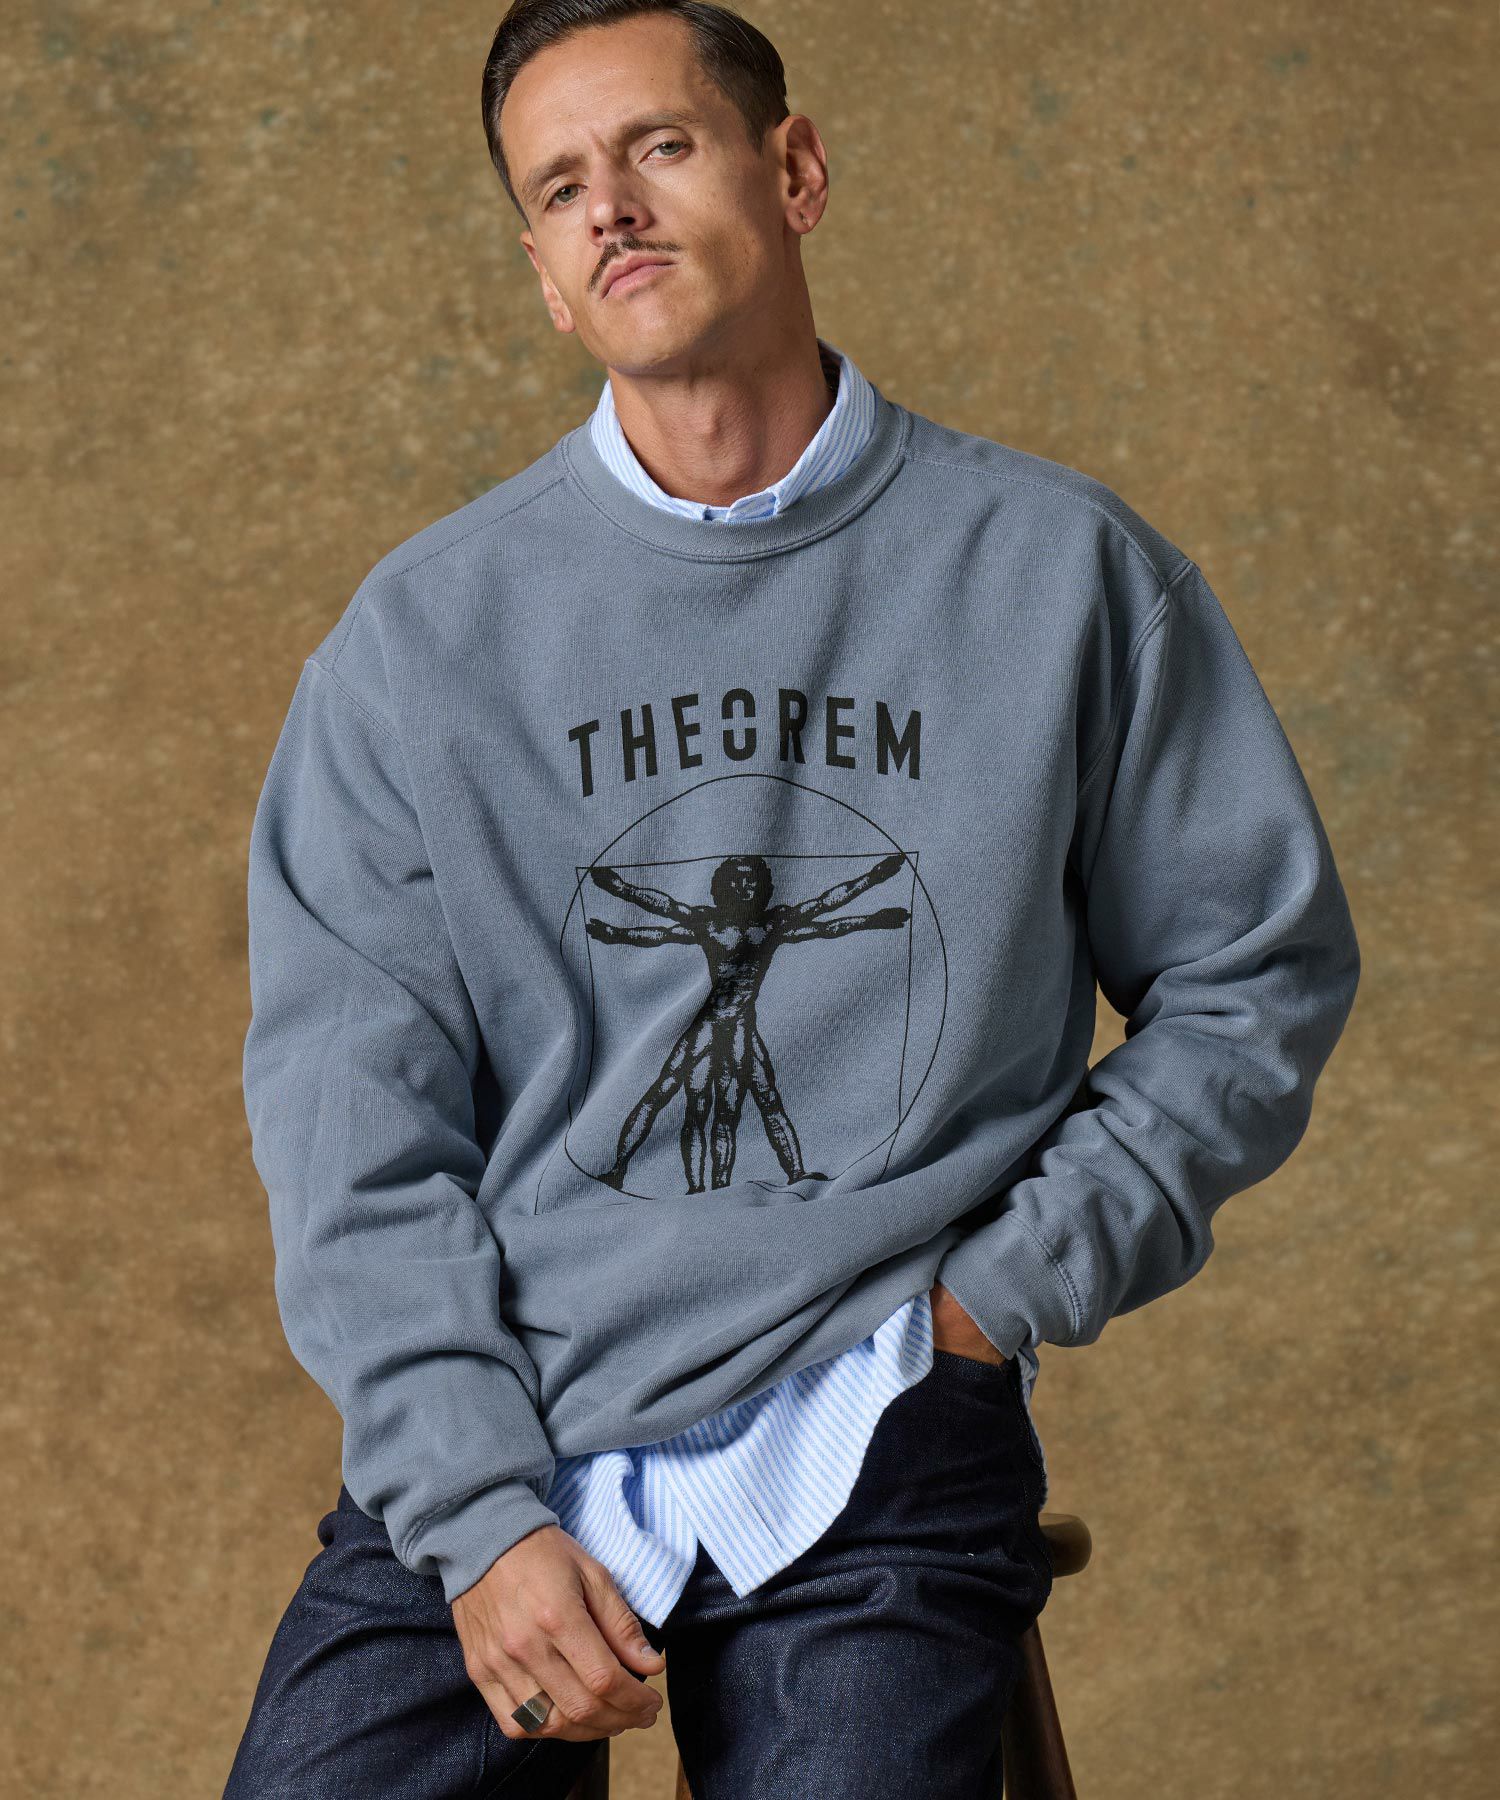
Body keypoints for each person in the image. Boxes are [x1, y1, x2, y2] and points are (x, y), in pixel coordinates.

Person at [222, 3, 1362, 1795]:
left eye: (660, 147)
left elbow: (1256, 972)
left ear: (797, 172)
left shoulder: (1061, 574)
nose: (612, 208)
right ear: (543, 275)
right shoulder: (417, 647)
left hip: (882, 1404)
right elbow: (349, 1128)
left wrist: (994, 1300)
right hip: (512, 1424)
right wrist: (474, 1505)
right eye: (560, 188)